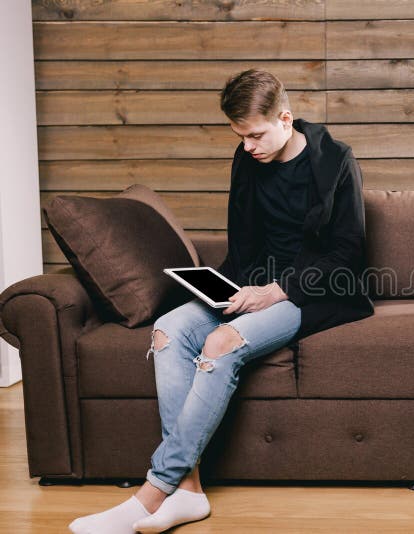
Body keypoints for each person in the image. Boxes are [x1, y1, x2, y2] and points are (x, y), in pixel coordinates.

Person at [69, 69, 374, 533]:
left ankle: (153, 492)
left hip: (311, 292)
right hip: (249, 284)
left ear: (285, 118)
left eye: (255, 135)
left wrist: (275, 291)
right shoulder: (247, 159)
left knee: (221, 343)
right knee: (169, 329)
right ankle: (188, 492)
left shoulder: (335, 160)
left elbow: (347, 252)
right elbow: (242, 242)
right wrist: (218, 288)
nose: (248, 147)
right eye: (240, 137)